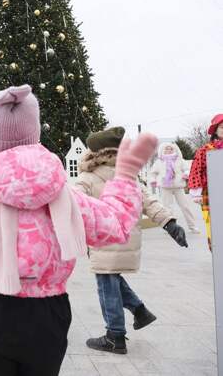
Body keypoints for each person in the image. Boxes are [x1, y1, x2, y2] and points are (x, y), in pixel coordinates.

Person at [0, 85, 157, 375]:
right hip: (47, 315)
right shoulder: (68, 198)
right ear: (34, 134)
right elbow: (116, 224)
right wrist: (124, 177)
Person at [75, 127, 187, 355]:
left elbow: (74, 199)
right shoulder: (130, 176)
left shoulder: (88, 176)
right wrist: (169, 223)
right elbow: (149, 202)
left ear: (94, 153)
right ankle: (140, 311)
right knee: (111, 277)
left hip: (104, 236)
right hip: (126, 236)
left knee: (106, 285)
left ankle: (115, 336)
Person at [189, 113, 223, 251]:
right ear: (215, 130)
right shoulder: (205, 150)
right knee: (214, 226)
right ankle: (218, 255)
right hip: (211, 192)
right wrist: (196, 191)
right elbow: (196, 169)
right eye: (222, 127)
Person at [149, 141, 200, 234]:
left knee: (185, 206)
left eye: (171, 148)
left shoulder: (179, 160)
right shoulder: (159, 161)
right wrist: (153, 180)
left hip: (178, 186)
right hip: (165, 187)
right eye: (166, 149)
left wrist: (186, 174)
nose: (168, 150)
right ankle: (169, 227)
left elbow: (188, 168)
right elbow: (153, 173)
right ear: (162, 150)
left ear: (174, 149)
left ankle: (192, 226)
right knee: (167, 208)